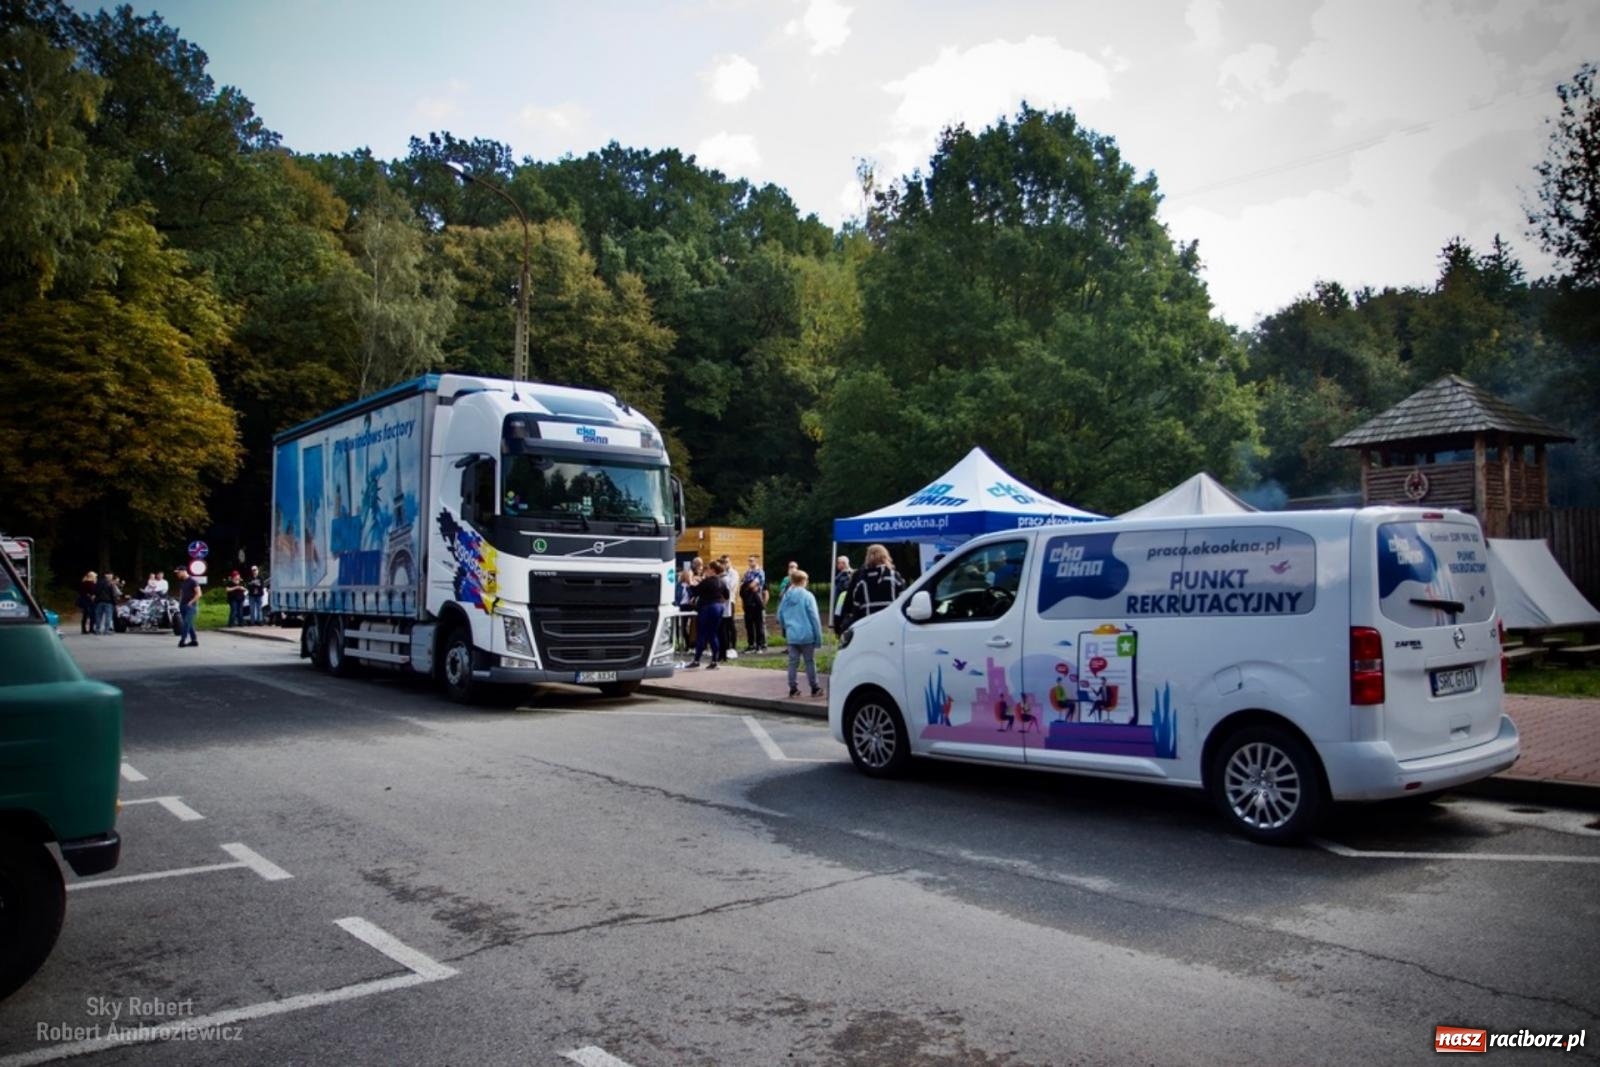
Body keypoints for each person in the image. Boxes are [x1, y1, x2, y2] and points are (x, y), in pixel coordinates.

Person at [777, 569, 824, 698]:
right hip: (807, 634)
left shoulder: (786, 597)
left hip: (792, 634)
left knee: (793, 662)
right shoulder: (808, 596)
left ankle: (793, 688)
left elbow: (779, 615)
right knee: (809, 661)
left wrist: (786, 626)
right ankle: (814, 687)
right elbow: (814, 617)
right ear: (804, 581)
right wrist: (818, 637)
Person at [843, 544, 905, 630]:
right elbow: (903, 600)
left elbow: (855, 605)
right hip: (891, 624)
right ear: (886, 556)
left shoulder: (862, 580)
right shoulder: (894, 576)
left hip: (869, 624)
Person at [684, 559, 728, 669]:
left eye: (707, 568)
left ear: (712, 570)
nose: (705, 570)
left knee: (701, 634)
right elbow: (726, 595)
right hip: (719, 607)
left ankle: (696, 660)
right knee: (713, 634)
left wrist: (689, 582)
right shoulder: (722, 582)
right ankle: (714, 660)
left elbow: (694, 591)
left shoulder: (708, 581)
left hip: (707, 607)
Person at [740, 555, 768, 653]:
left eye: (752, 560)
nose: (750, 562)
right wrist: (747, 586)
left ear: (756, 561)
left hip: (756, 601)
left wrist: (747, 585)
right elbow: (743, 585)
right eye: (749, 560)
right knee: (749, 624)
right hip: (747, 600)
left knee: (758, 624)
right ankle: (751, 644)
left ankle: (760, 645)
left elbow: (754, 585)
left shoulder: (760, 572)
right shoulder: (747, 573)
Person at [717, 555, 739, 662]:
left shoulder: (733, 573)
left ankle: (732, 647)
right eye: (722, 562)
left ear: (730, 562)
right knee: (723, 626)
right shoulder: (721, 574)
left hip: (729, 601)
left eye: (726, 562)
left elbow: (730, 585)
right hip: (721, 602)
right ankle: (724, 647)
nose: (724, 564)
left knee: (730, 624)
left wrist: (723, 577)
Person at [175, 566, 201, 647]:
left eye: (178, 572)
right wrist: (180, 602)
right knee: (189, 623)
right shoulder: (182, 582)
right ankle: (194, 640)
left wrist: (191, 602)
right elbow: (181, 592)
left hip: (191, 606)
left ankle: (183, 640)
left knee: (186, 623)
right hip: (182, 605)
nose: (177, 574)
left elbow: (199, 594)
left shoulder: (193, 581)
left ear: (183, 571)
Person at [831, 555, 853, 637]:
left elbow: (846, 590)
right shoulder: (842, 575)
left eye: (838, 563)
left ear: (843, 564)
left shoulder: (847, 575)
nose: (837, 565)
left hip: (842, 605)